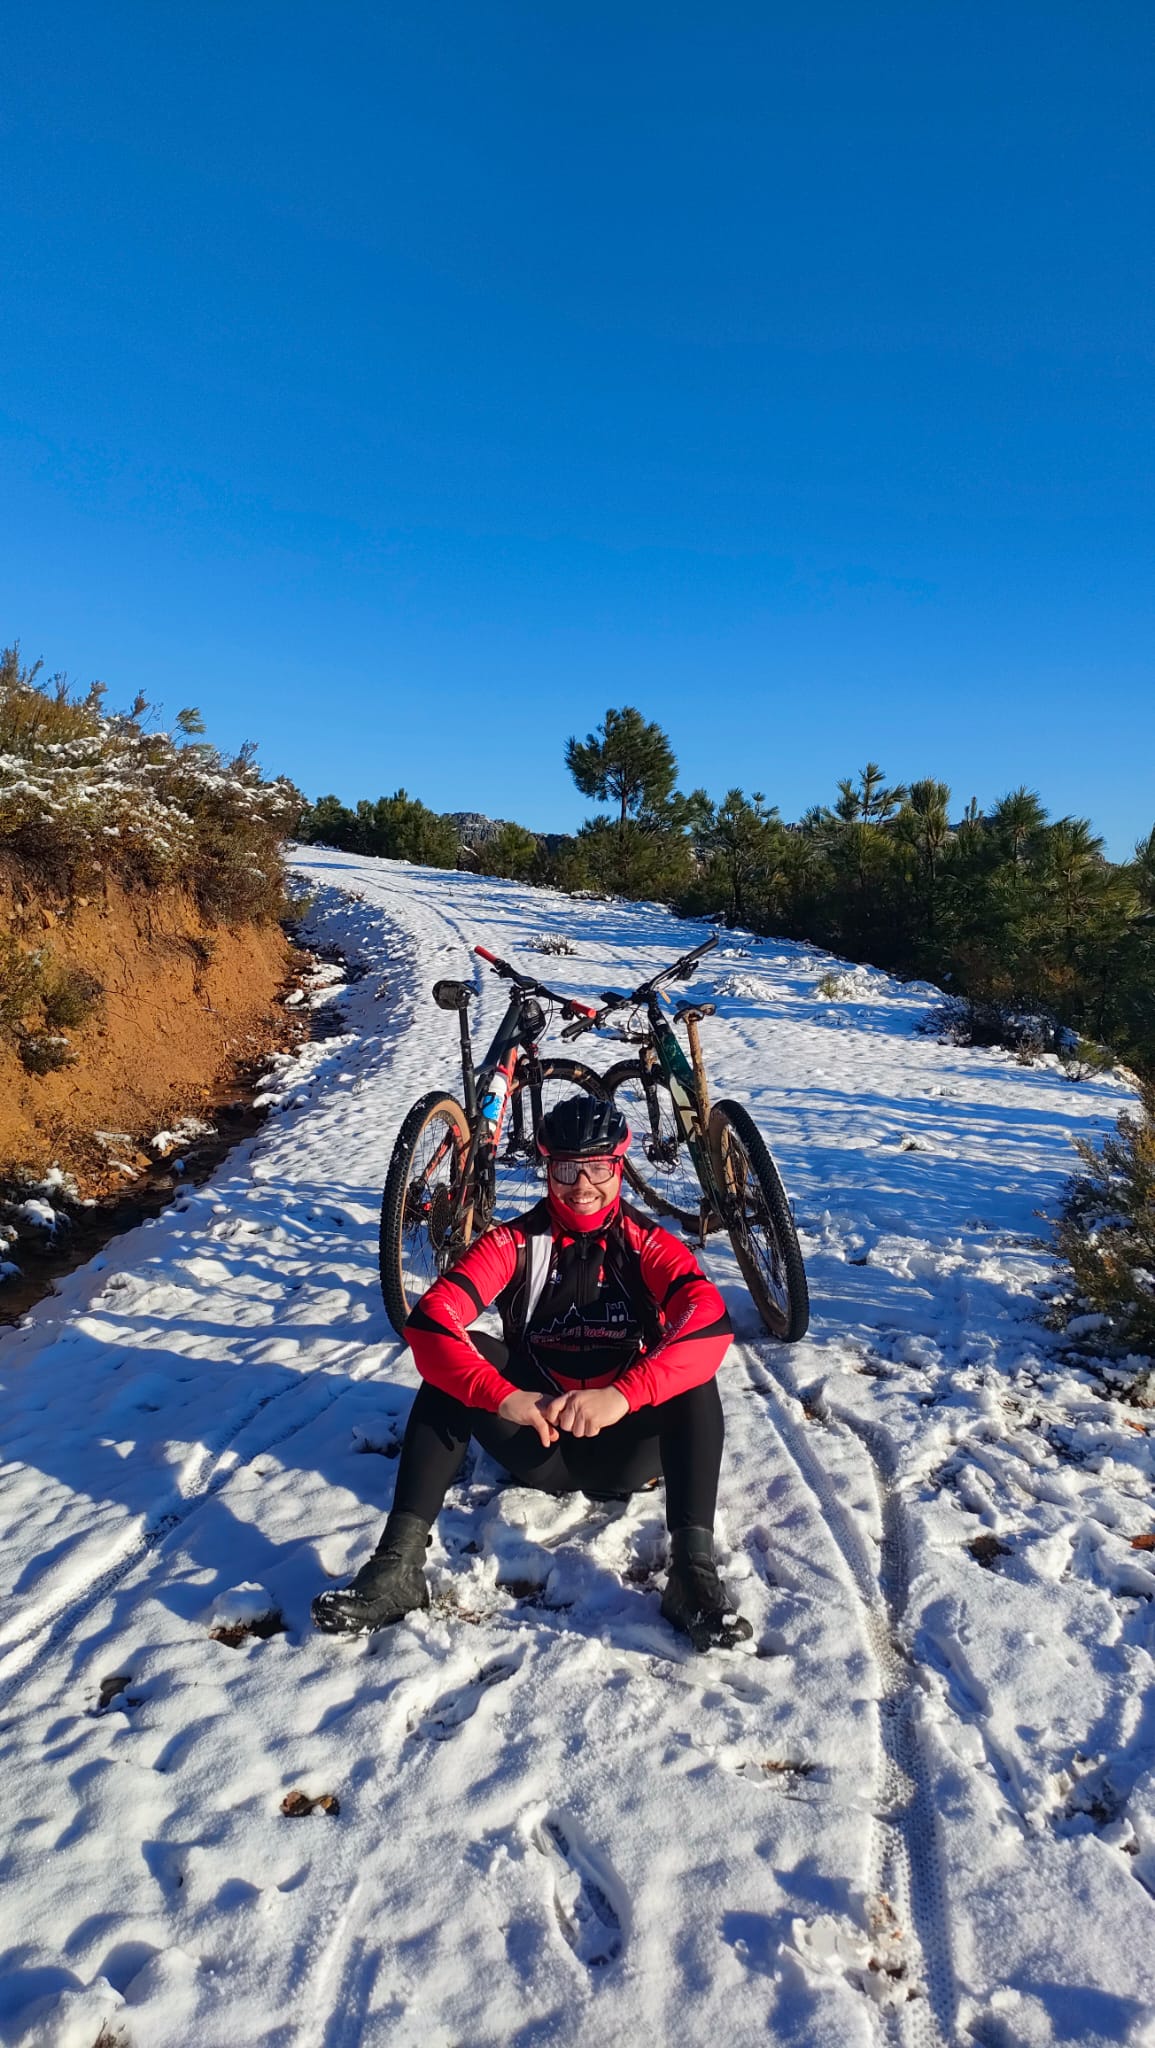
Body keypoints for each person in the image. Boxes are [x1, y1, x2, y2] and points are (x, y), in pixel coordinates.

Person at [313, 1094, 752, 1651]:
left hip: (625, 1450)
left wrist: (621, 1395)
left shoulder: (647, 1243)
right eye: (567, 1169)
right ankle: (397, 1565)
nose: (582, 1185)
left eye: (598, 1168)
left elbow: (709, 1322)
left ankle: (692, 1575)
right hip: (535, 1440)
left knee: (693, 1377)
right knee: (464, 1354)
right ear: (548, 1168)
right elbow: (431, 1320)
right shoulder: (512, 1242)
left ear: (620, 1166)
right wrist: (502, 1396)